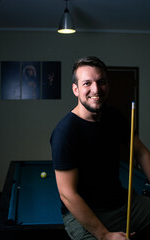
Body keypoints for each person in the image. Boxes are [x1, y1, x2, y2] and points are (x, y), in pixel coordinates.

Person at [50, 56, 150, 240]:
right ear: (75, 89)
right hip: (83, 214)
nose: (96, 89)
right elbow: (68, 194)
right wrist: (104, 235)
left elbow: (141, 152)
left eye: (101, 82)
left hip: (122, 203)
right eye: (87, 83)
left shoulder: (114, 116)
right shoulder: (65, 132)